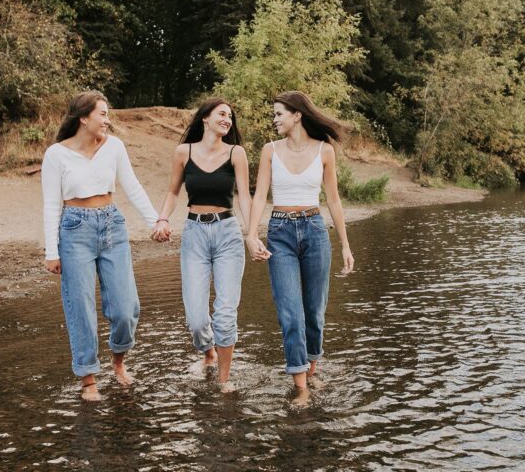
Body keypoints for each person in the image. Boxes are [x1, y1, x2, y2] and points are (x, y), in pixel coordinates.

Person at [41, 90, 159, 401]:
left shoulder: (115, 147)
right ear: (84, 118)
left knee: (126, 308)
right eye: (102, 114)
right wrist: (51, 251)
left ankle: (118, 361)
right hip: (74, 229)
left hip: (112, 226)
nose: (107, 120)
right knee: (80, 307)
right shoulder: (56, 154)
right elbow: (51, 204)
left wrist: (155, 221)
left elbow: (131, 186)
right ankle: (88, 378)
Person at [245, 91, 355, 405]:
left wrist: (346, 245)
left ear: (297, 115)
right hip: (280, 231)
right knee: (290, 314)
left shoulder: (324, 151)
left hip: (315, 230)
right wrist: (252, 235)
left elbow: (333, 199)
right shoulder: (269, 150)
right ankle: (301, 386)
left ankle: (312, 368)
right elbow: (259, 195)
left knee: (315, 312)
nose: (275, 119)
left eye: (279, 113)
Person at [152, 98, 251, 393]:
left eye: (230, 116)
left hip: (228, 234)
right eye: (222, 114)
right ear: (205, 119)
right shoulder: (184, 152)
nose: (227, 119)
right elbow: (172, 191)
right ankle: (207, 351)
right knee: (196, 319)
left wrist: (252, 233)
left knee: (225, 312)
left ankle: (224, 379)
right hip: (194, 233)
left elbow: (244, 196)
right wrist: (162, 219)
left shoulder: (237, 153)